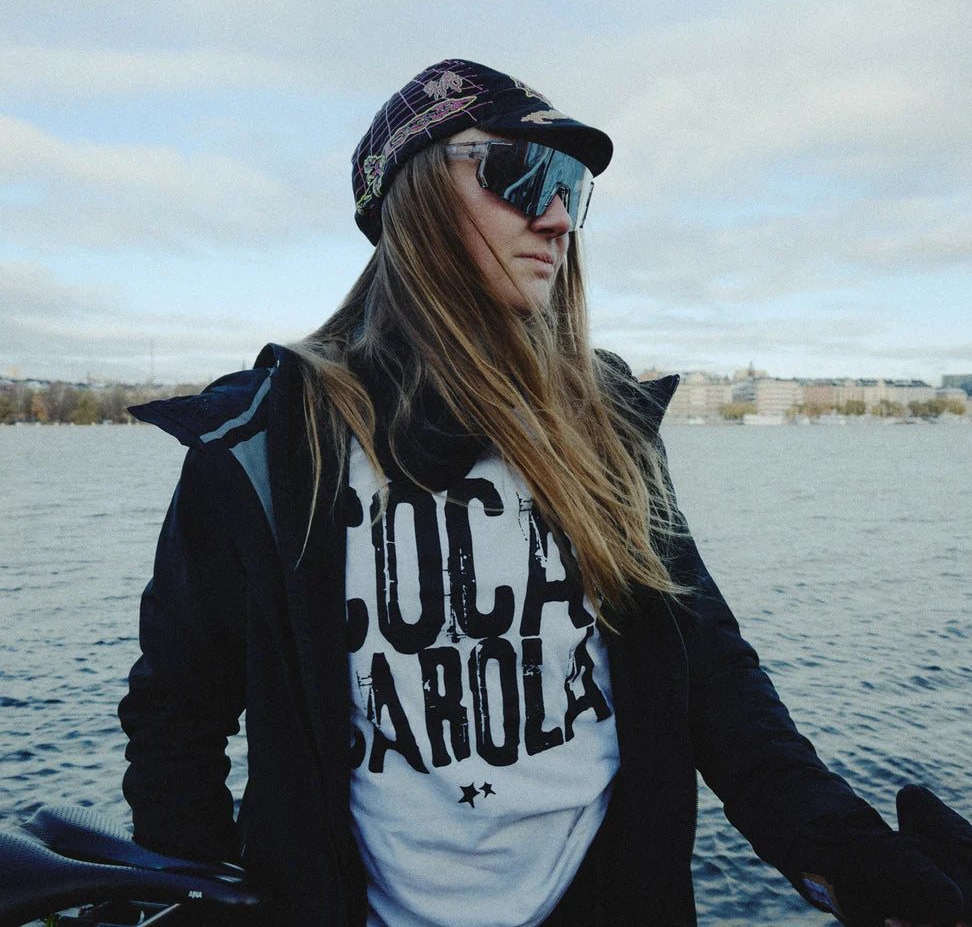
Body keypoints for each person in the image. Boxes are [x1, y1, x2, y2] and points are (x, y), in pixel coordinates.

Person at [118, 60, 972, 926]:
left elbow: (712, 675)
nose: (558, 216)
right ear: (412, 200)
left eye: (572, 186)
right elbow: (175, 720)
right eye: (518, 171)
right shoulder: (265, 445)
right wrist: (195, 902)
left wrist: (851, 861)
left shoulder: (607, 425)